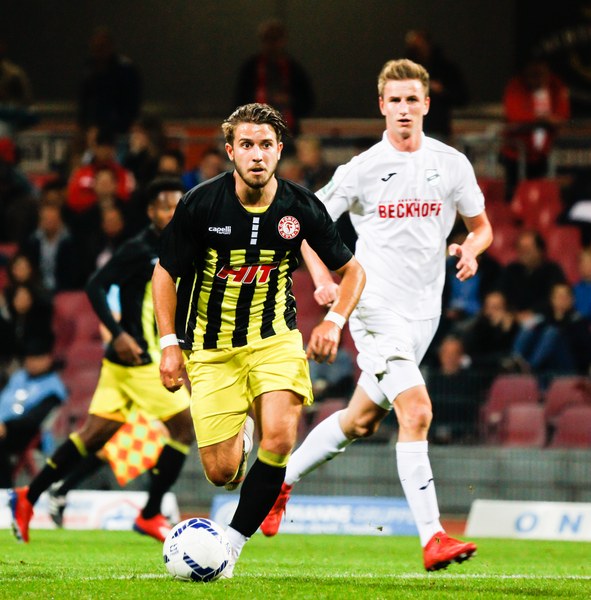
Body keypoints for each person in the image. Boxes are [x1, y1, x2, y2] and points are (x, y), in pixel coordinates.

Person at [261, 59, 493, 572]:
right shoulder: (362, 169)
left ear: (426, 104)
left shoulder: (452, 164)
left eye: (412, 99)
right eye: (395, 100)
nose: (404, 108)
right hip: (373, 306)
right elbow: (305, 225)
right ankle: (433, 537)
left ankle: (279, 482)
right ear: (382, 106)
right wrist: (323, 278)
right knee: (418, 411)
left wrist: (472, 249)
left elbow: (481, 227)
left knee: (360, 421)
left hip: (424, 314)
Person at [151, 103, 365, 578]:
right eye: (246, 144)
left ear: (279, 150)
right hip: (211, 350)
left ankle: (230, 545)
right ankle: (243, 430)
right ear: (230, 151)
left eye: (266, 144)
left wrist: (334, 321)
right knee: (222, 473)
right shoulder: (201, 204)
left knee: (282, 436)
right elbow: (165, 274)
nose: (257, 154)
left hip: (275, 340)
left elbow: (353, 271)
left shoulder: (300, 207)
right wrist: (169, 344)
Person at [8, 176, 194, 544]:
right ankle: (150, 514)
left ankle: (29, 495)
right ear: (150, 211)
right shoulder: (140, 248)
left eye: (178, 205)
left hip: (124, 366)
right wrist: (118, 333)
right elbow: (95, 284)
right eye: (164, 207)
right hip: (139, 359)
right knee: (184, 428)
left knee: (93, 437)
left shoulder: (181, 246)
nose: (172, 213)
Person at [499, 57, 570, 201]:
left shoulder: (555, 86)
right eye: (533, 74)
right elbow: (516, 116)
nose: (537, 79)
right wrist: (544, 119)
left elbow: (562, 116)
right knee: (515, 195)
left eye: (541, 74)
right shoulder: (516, 86)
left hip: (544, 154)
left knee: (544, 195)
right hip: (517, 154)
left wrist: (549, 120)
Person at [0, 338, 68, 488]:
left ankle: (3, 489)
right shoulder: (19, 378)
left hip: (25, 434)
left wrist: (7, 427)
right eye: (28, 358)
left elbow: (34, 419)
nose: (31, 362)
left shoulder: (53, 387)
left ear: (48, 359)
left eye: (36, 358)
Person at [233, 19, 315, 137]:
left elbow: (308, 101)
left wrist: (290, 102)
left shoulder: (294, 69)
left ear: (283, 40)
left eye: (275, 39)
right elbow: (239, 101)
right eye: (268, 39)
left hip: (287, 130)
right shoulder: (250, 68)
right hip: (254, 130)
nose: (272, 44)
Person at [403, 29, 469, 143]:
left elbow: (462, 98)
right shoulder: (405, 70)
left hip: (436, 129)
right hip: (409, 129)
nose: (418, 49)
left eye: (420, 45)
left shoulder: (446, 69)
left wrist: (442, 91)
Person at [77, 27, 142, 135]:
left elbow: (132, 102)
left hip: (121, 127)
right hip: (95, 127)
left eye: (101, 47)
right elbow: (84, 100)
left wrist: (123, 124)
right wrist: (83, 125)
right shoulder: (89, 68)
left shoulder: (125, 69)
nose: (98, 52)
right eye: (95, 47)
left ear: (110, 47)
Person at [496, 229, 566, 317]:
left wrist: (532, 312)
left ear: (540, 250)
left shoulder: (552, 270)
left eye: (527, 249)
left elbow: (556, 299)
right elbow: (500, 293)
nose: (523, 253)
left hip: (544, 317)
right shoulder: (511, 269)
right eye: (520, 249)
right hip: (513, 317)